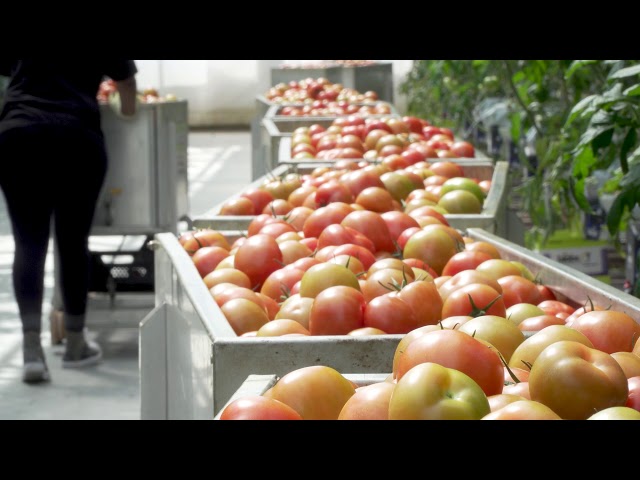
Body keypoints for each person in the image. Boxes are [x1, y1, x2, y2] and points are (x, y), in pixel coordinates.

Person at [0, 59, 139, 384]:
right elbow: (127, 84)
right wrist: (127, 112)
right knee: (73, 242)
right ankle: (75, 343)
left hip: (17, 135)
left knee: (28, 243)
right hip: (75, 135)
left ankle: (32, 350)